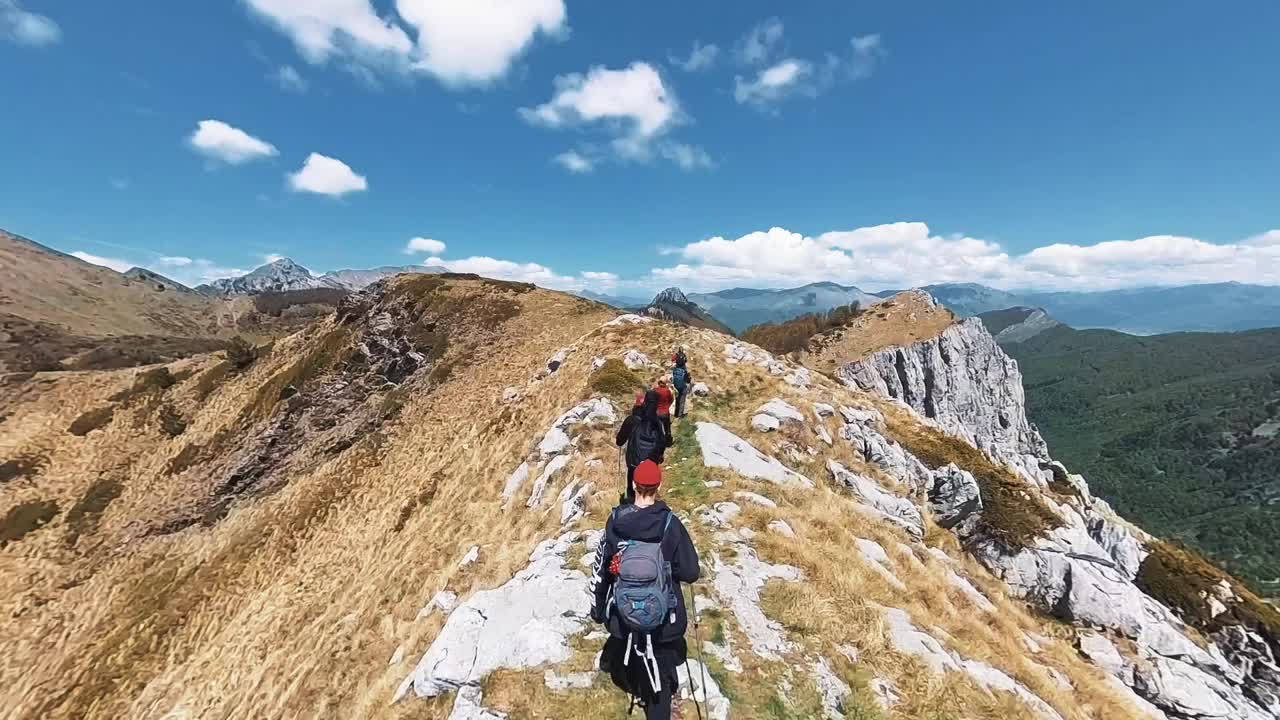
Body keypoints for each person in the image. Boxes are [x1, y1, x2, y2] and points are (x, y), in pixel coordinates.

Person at [590, 460, 701, 719]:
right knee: (660, 679)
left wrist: (598, 609)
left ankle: (633, 674)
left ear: (633, 484)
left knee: (631, 645)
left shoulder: (615, 521)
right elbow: (691, 573)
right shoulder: (671, 524)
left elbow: (602, 569)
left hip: (623, 618)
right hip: (663, 621)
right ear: (658, 486)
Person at [616, 390, 667, 503]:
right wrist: (659, 456)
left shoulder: (632, 420)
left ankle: (631, 504)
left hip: (634, 462)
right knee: (649, 488)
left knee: (633, 488)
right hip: (651, 463)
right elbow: (663, 442)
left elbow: (619, 441)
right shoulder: (658, 423)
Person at [670, 352, 692, 419]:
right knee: (682, 401)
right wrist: (689, 378)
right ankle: (680, 415)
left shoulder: (674, 370)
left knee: (677, 400)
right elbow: (687, 381)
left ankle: (676, 414)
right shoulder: (684, 371)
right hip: (682, 387)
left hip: (676, 386)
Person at [654, 379, 675, 447]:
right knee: (667, 428)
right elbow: (671, 399)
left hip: (657, 413)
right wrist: (667, 405)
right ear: (665, 384)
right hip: (665, 412)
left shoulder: (655, 390)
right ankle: (668, 443)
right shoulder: (667, 391)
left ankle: (658, 443)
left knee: (657, 429)